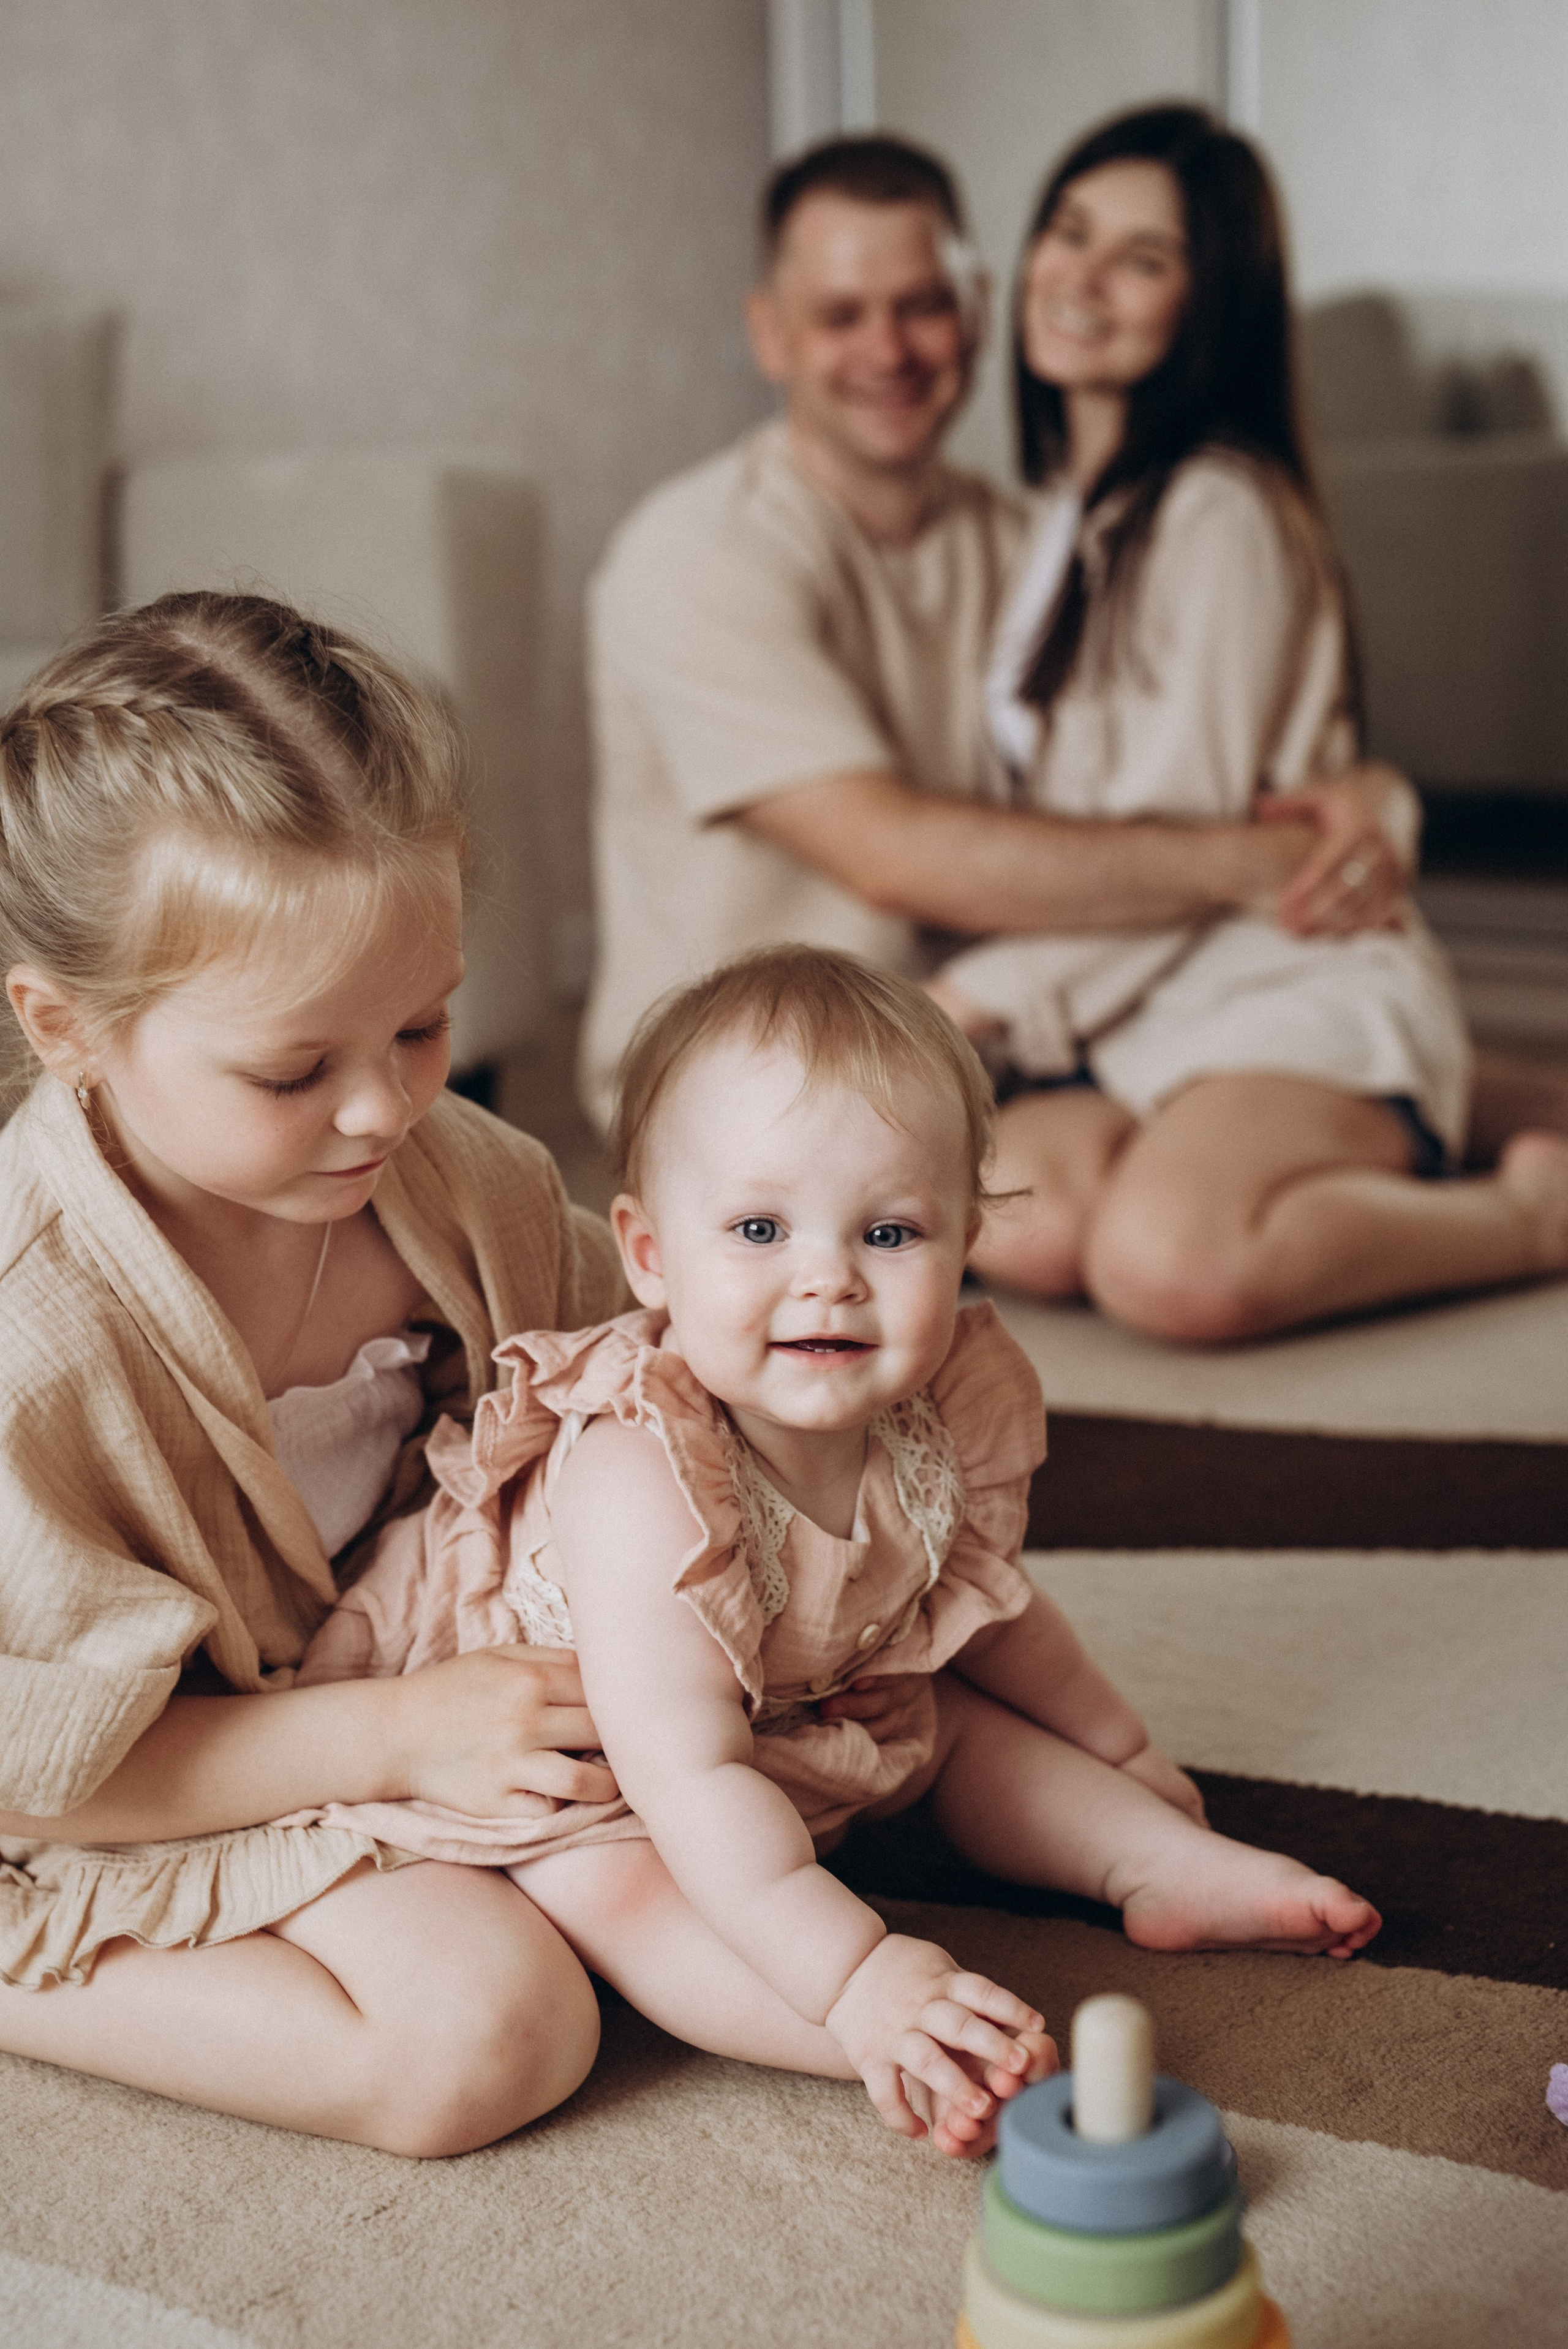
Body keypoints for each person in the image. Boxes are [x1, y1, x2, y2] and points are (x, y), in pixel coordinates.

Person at [298, 948, 1381, 2160]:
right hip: (583, 1765)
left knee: (950, 1717)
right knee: (623, 1889)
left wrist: (1120, 1751)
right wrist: (860, 1970)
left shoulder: (927, 1419)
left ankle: (1157, 1867)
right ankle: (877, 2035)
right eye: (758, 1227)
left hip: (791, 1700)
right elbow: (692, 1777)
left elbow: (991, 1606)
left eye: (888, 1231)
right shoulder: (639, 1474)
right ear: (650, 1254)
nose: (827, 1278)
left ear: (964, 1238)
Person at [0, 592, 636, 2155]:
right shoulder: (35, 1338)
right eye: (295, 1071)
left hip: (335, 1698)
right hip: (89, 1779)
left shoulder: (456, 1179)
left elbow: (636, 1378)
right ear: (67, 1028)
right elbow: (54, 1772)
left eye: (421, 1026)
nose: (378, 1113)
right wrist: (396, 1738)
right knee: (486, 2035)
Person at [579, 132, 1394, 1136]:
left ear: (973, 308)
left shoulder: (1036, 545)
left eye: (921, 306)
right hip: (753, 1074)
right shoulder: (695, 553)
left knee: (1112, 1206)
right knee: (1084, 1226)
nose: (888, 352)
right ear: (770, 336)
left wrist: (1374, 795)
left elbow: (1207, 734)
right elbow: (889, 854)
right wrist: (1246, 862)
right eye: (841, 317)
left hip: (983, 1044)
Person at [922, 104, 1568, 1336]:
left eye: (1142, 259)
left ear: (1206, 303)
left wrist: (973, 1002)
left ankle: (1526, 1207)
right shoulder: (1060, 513)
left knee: (1166, 1264)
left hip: (1279, 971)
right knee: (1020, 1216)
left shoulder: (1215, 510)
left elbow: (1180, 849)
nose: (1082, 277)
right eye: (1068, 232)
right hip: (1138, 1006)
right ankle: (1428, 1114)